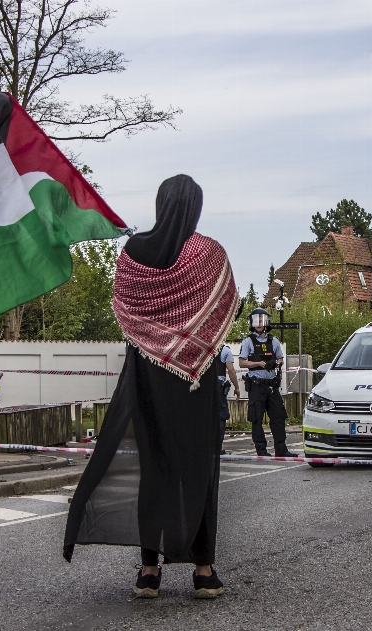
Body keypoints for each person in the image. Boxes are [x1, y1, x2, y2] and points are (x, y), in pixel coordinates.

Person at [63, 175, 238, 600]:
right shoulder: (208, 252)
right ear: (195, 207)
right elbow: (225, 306)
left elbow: (124, 308)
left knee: (153, 472)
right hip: (194, 381)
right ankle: (203, 570)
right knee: (199, 473)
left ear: (161, 204)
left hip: (146, 380)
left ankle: (148, 572)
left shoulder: (132, 252)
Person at [239, 308, 297, 458]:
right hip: (257, 385)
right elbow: (242, 363)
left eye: (261, 320)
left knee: (278, 417)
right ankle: (262, 450)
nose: (259, 323)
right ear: (252, 323)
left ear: (266, 322)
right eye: (256, 320)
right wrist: (259, 364)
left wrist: (276, 363)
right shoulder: (248, 341)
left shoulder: (274, 341)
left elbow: (280, 359)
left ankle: (281, 449)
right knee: (256, 418)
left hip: (272, 386)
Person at [216, 343, 240, 454]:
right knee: (221, 415)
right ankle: (217, 447)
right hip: (219, 386)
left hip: (204, 387)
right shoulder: (225, 350)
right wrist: (237, 387)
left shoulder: (204, 349)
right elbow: (231, 370)